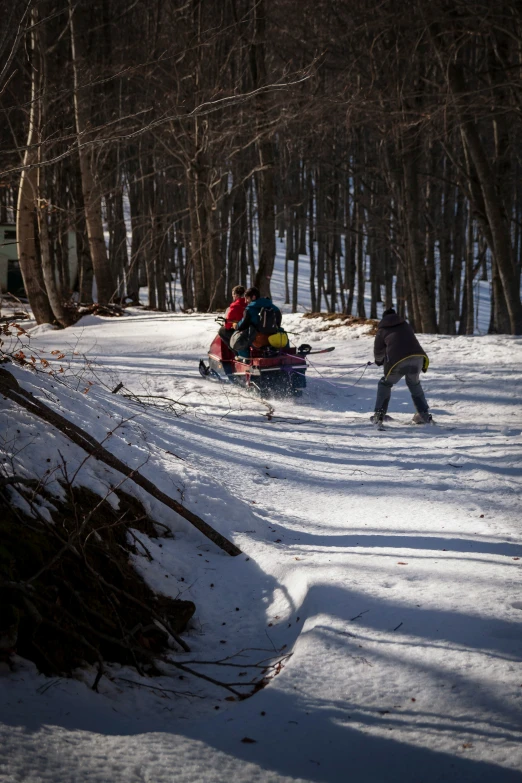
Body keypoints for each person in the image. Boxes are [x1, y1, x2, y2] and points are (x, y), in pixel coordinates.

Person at [371, 307, 432, 425]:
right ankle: (424, 415)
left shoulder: (382, 330)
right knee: (414, 384)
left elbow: (378, 353)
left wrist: (379, 361)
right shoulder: (405, 324)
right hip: (417, 358)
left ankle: (379, 415)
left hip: (398, 362)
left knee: (385, 384)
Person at [230, 286, 283, 358]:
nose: (245, 301)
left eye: (247, 298)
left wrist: (236, 325)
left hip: (258, 339)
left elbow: (243, 325)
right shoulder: (272, 306)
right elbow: (278, 321)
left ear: (253, 297)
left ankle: (244, 358)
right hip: (273, 337)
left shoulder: (250, 309)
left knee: (239, 338)